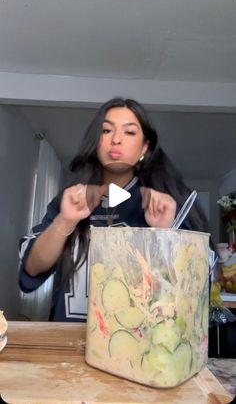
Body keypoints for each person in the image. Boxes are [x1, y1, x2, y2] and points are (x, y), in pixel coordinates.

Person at [19, 97, 211, 322]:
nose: (116, 140)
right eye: (106, 130)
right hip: (68, 342)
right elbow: (31, 271)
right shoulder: (69, 199)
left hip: (141, 347)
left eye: (129, 133)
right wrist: (65, 221)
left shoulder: (165, 205)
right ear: (96, 142)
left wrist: (165, 233)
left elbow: (194, 290)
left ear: (145, 147)